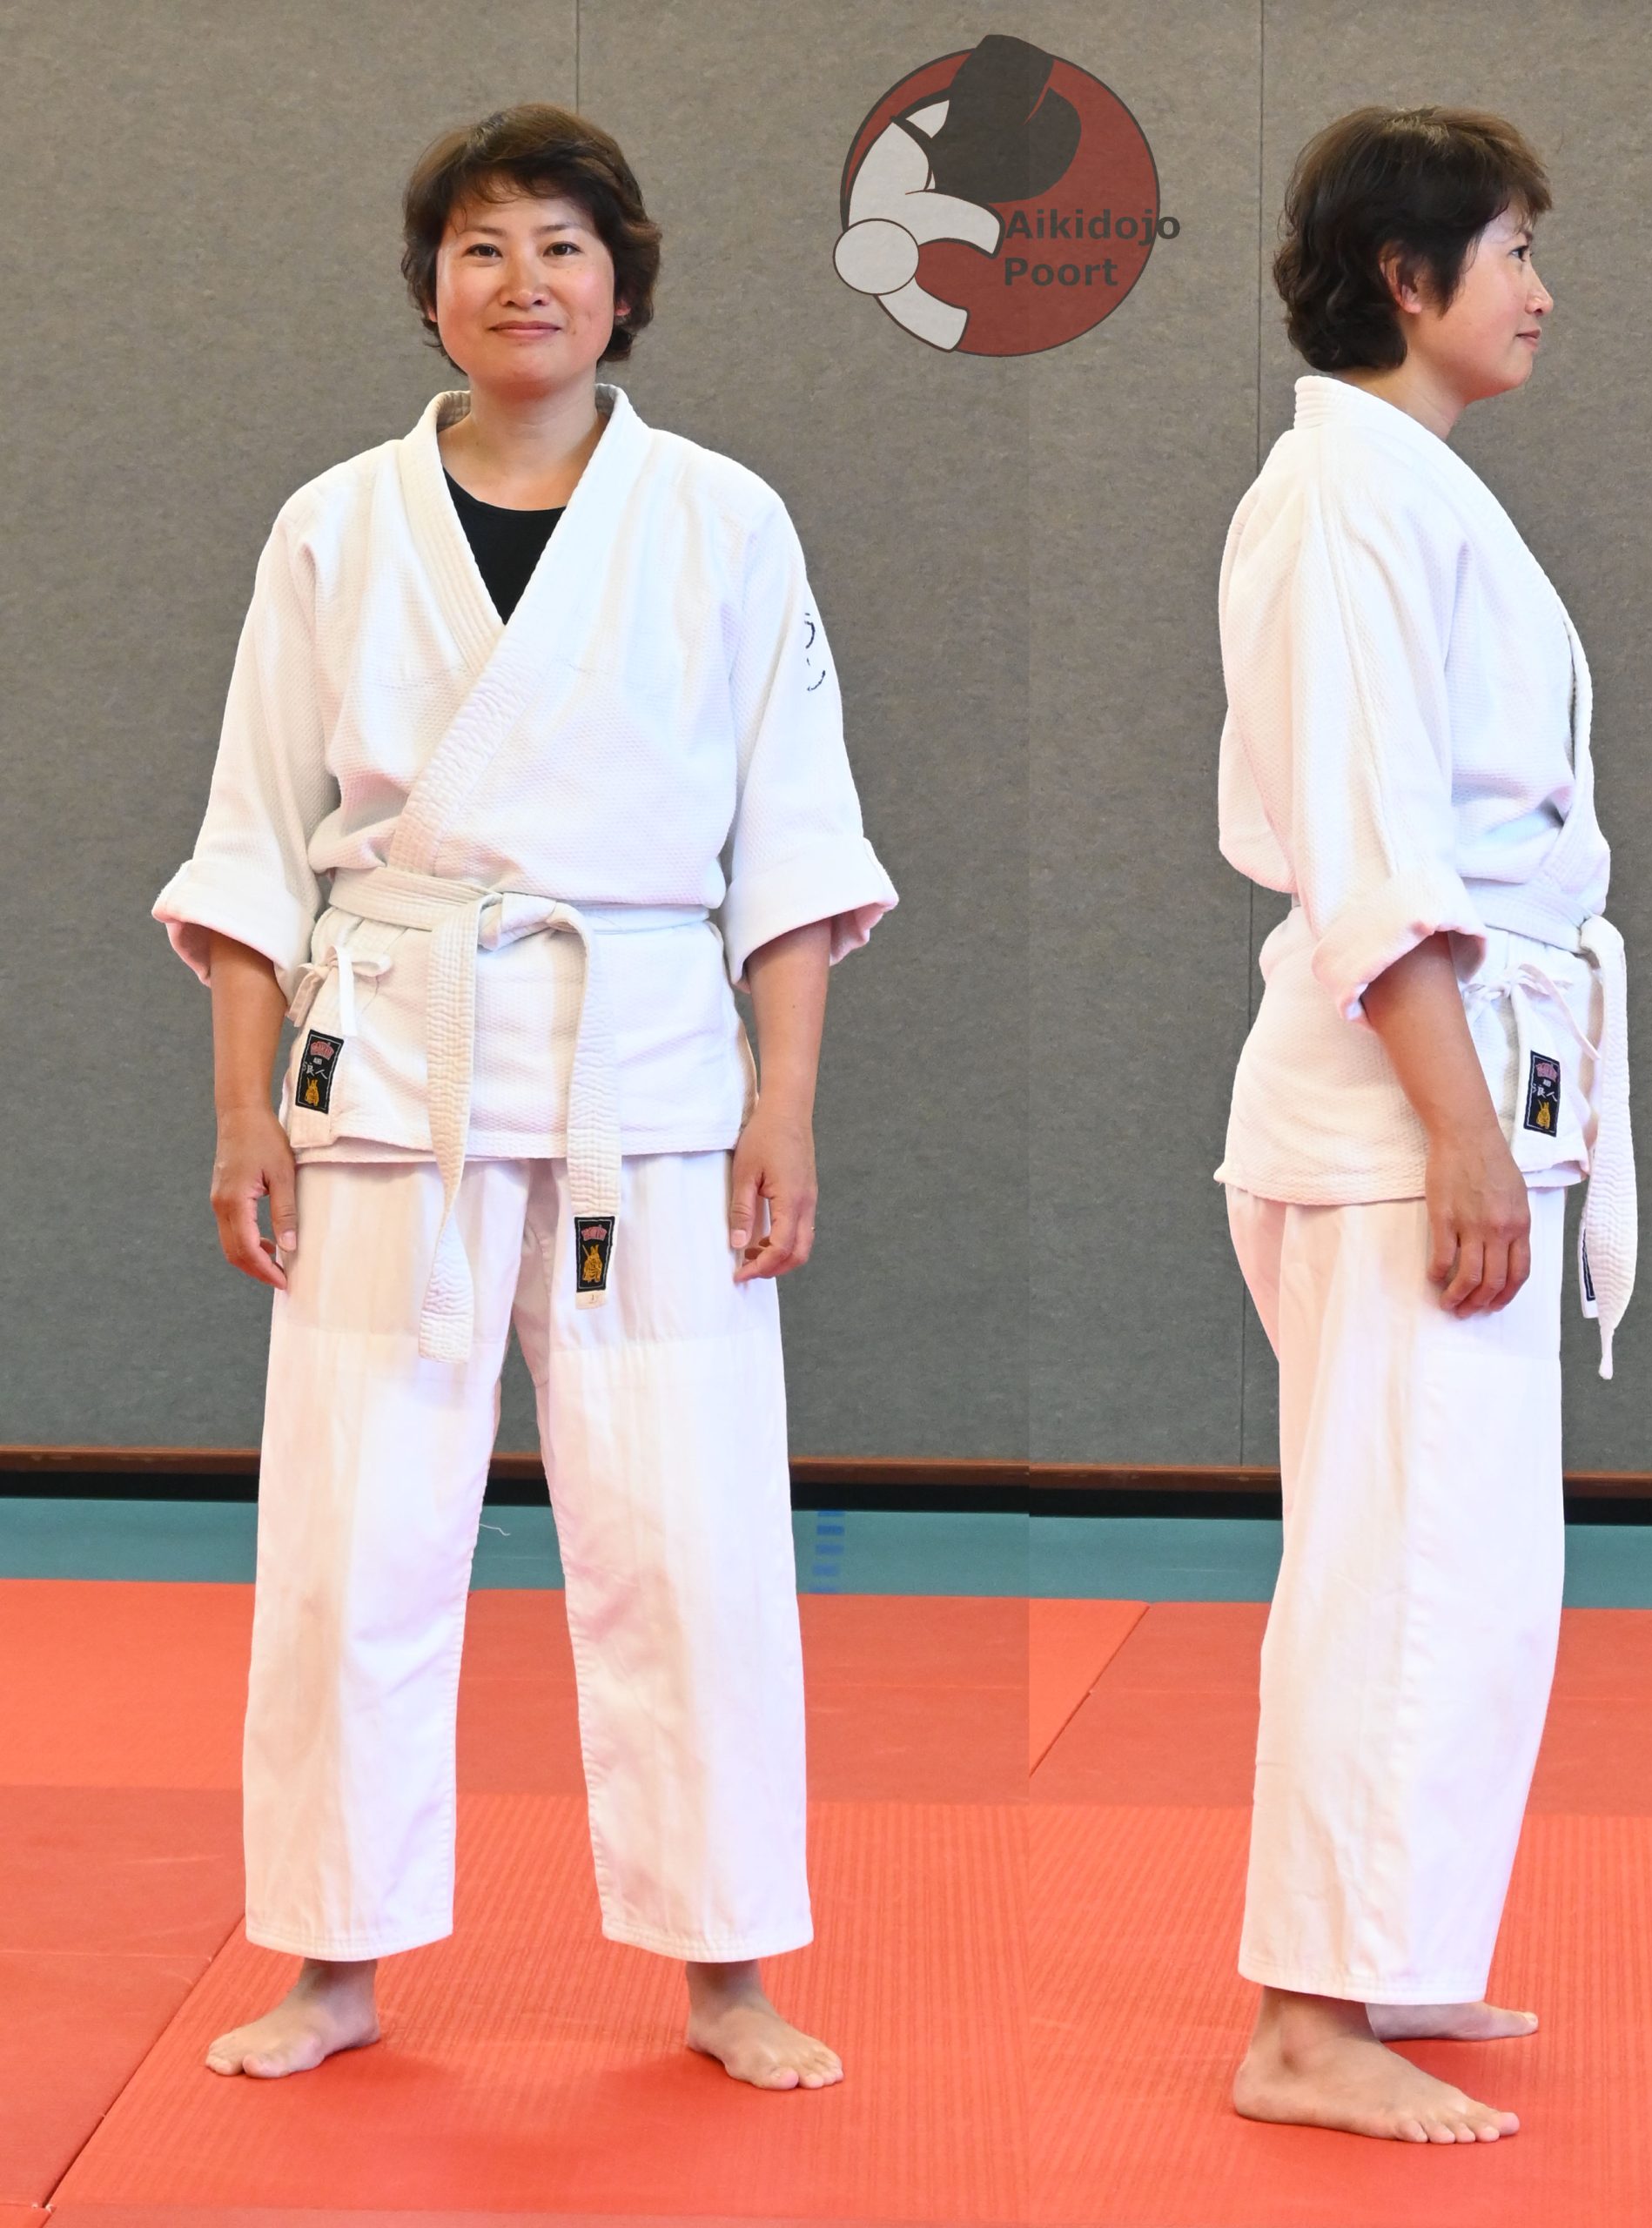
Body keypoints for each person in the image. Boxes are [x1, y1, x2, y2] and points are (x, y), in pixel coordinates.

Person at [152, 104, 897, 2090]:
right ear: (430, 293)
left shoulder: (723, 522)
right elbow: (251, 846)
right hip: (388, 1059)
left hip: (642, 1072)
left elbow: (791, 847)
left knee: (690, 1532)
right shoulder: (332, 526)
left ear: (622, 284)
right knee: (351, 1533)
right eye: (481, 247)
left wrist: (784, 1107)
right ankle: (330, 1958)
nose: (523, 282)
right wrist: (243, 1113)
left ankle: (728, 1967)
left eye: (562, 245)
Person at [1214, 106, 1636, 2144]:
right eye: (1512, 250)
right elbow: (1366, 847)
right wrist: (1455, 1129)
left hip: (1463, 1076)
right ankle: (1302, 2020)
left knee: (1462, 1563)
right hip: (1404, 1101)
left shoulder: (1408, 489)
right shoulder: (1336, 500)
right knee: (1394, 1565)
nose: (1539, 290)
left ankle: (1380, 1947)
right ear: (1407, 275)